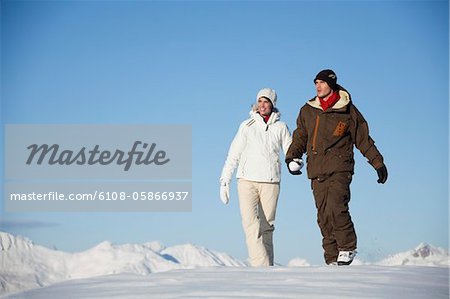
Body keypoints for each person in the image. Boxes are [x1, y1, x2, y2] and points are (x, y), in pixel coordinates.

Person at [285, 69, 388, 266]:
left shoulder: (347, 110)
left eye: (322, 83)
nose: (318, 86)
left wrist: (377, 162)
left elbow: (363, 139)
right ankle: (331, 257)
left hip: (340, 167)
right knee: (323, 214)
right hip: (316, 169)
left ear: (331, 84)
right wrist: (292, 157)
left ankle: (347, 247)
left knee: (336, 207)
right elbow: (300, 137)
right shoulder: (307, 110)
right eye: (315, 82)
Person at [219, 88, 297, 267]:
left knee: (267, 227)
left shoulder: (281, 127)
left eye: (266, 101)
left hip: (271, 182)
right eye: (260, 101)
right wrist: (225, 180)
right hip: (246, 181)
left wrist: (293, 162)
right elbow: (233, 154)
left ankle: (267, 270)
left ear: (272, 104)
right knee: (250, 224)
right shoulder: (246, 126)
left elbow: (290, 150)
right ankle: (260, 267)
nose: (262, 105)